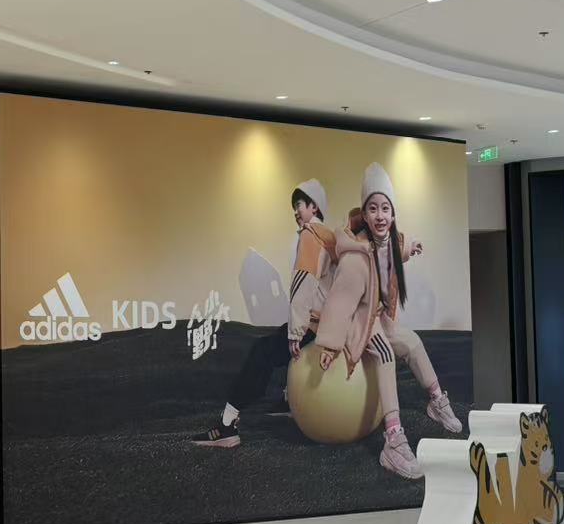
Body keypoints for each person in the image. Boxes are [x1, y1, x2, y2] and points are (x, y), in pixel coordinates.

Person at [314, 163, 461, 478]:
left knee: (413, 342)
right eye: (373, 209)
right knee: (385, 355)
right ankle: (393, 440)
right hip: (359, 322)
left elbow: (393, 250)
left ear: (393, 214)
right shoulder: (354, 258)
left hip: (379, 317)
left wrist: (410, 248)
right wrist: (329, 345)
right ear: (364, 215)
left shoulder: (389, 243)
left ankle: (437, 400)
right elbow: (339, 304)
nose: (380, 215)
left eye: (385, 208)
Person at [194, 179, 338, 448]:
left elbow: (303, 283)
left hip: (313, 326)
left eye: (299, 205)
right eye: (294, 207)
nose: (295, 212)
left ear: (314, 206)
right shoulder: (330, 238)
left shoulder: (311, 235)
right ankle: (287, 400)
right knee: (275, 345)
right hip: (328, 326)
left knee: (261, 352)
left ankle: (227, 426)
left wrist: (296, 332)